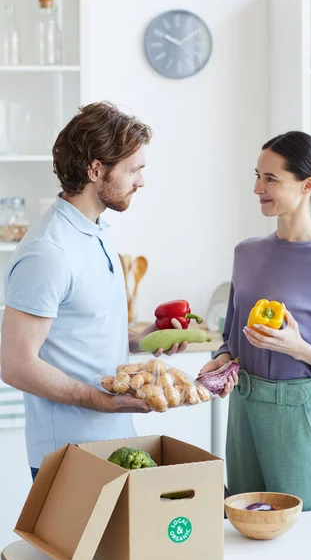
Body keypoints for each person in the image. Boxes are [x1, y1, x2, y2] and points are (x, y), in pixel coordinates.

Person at [0, 102, 187, 481]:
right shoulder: (49, 252)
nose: (141, 181)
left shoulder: (96, 229)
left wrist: (144, 340)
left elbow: (81, 333)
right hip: (69, 454)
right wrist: (102, 402)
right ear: (96, 169)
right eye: (133, 170)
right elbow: (15, 364)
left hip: (114, 441)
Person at [200, 131, 311, 510]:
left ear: (307, 185)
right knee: (244, 531)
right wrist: (222, 360)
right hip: (243, 409)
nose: (257, 188)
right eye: (257, 176)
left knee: (305, 538)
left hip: (299, 414)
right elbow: (231, 339)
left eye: (270, 179)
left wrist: (303, 350)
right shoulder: (245, 253)